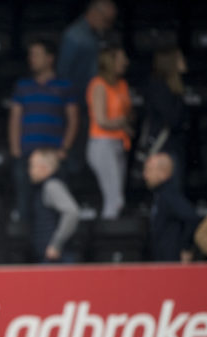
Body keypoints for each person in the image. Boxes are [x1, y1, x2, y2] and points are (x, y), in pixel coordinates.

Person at [9, 39, 79, 225]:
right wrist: (15, 148)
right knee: (24, 205)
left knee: (55, 204)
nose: (31, 59)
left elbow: (73, 120)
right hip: (26, 154)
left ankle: (53, 246)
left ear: (50, 58)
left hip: (53, 155)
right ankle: (25, 248)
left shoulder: (65, 86)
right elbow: (15, 118)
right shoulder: (23, 86)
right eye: (31, 55)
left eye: (37, 54)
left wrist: (64, 149)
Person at [86, 44, 131, 219]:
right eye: (122, 58)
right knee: (115, 199)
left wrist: (124, 123)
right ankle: (108, 238)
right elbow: (101, 120)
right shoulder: (98, 84)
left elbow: (127, 113)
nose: (126, 62)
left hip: (119, 142)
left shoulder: (122, 84)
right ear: (111, 61)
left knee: (117, 197)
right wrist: (121, 122)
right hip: (102, 144)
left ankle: (113, 236)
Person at [144, 47, 188, 187]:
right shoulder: (159, 85)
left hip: (174, 145)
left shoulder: (173, 85)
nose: (184, 62)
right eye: (180, 58)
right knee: (170, 191)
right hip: (164, 147)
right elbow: (172, 119)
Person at [56, 0, 117, 101]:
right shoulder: (74, 36)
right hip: (79, 96)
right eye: (106, 20)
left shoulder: (97, 35)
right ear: (94, 13)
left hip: (94, 95)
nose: (108, 26)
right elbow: (63, 71)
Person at [143, 153, 199, 262]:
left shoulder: (170, 195)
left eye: (149, 170)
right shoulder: (159, 194)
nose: (145, 175)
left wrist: (186, 247)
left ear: (163, 173)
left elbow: (192, 218)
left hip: (171, 260)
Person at [28, 148, 80, 263]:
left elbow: (72, 213)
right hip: (50, 257)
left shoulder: (52, 186)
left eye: (32, 166)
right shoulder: (42, 187)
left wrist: (56, 245)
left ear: (44, 168)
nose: (30, 171)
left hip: (59, 259)